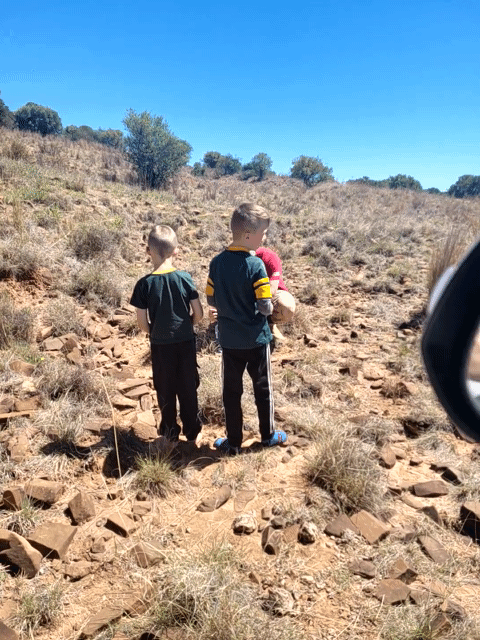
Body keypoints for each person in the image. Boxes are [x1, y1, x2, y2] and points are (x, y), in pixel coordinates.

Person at [206, 203, 287, 455]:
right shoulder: (255, 265)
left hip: (229, 341)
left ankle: (233, 442)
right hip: (256, 339)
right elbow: (264, 306)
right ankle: (268, 436)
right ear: (250, 235)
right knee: (263, 388)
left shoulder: (216, 263)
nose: (264, 238)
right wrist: (269, 308)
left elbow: (210, 298)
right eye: (263, 233)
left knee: (231, 392)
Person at [130, 225, 203, 444]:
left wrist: (156, 331)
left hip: (160, 345)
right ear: (176, 251)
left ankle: (170, 431)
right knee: (188, 386)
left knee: (165, 387)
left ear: (148, 251)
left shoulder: (143, 285)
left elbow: (142, 322)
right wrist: (187, 325)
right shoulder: (185, 279)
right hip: (186, 342)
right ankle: (192, 431)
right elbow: (198, 313)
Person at [255, 245, 295, 342]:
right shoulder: (232, 259)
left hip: (266, 295)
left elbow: (272, 291)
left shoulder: (267, 256)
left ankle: (269, 324)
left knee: (286, 307)